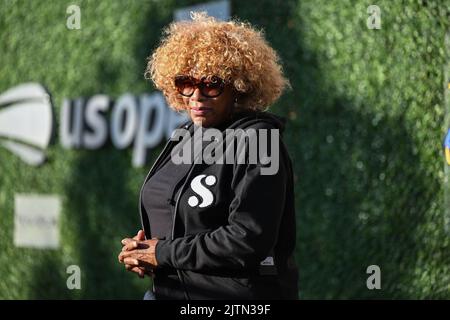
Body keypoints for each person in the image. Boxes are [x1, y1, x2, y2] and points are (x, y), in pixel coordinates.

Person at [118, 12, 298, 300]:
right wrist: (143, 252)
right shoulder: (186, 134)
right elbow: (182, 214)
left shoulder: (261, 140)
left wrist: (163, 253)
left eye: (211, 84)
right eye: (185, 83)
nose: (196, 97)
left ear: (239, 86)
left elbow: (248, 240)